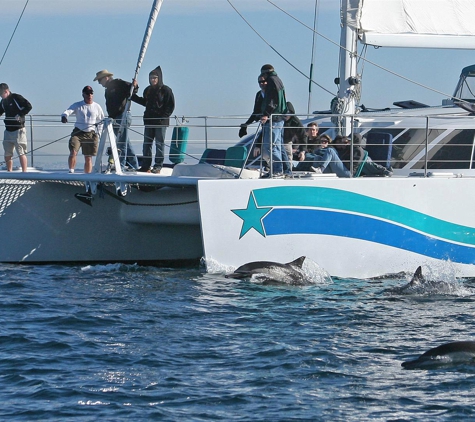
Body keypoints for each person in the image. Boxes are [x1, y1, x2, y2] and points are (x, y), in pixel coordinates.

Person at [132, 66, 175, 173]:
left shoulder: (166, 90)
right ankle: (146, 166)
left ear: (159, 78)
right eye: (151, 78)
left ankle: (158, 166)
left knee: (159, 144)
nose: (153, 80)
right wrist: (133, 96)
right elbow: (145, 102)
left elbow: (170, 106)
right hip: (149, 121)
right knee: (147, 144)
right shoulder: (148, 90)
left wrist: (163, 117)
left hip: (160, 122)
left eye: (155, 78)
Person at [93, 69, 139, 170]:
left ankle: (121, 167)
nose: (99, 83)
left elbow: (131, 89)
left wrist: (135, 86)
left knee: (121, 143)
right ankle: (134, 165)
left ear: (106, 78)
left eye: (100, 80)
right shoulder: (108, 89)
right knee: (124, 141)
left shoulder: (117, 83)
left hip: (122, 115)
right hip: (115, 117)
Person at [61, 86, 104, 173]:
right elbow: (68, 111)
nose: (90, 95)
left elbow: (101, 120)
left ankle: (87, 176)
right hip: (78, 132)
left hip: (90, 133)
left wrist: (99, 132)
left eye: (91, 93)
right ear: (83, 94)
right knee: (73, 151)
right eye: (87, 93)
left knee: (88, 157)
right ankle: (71, 171)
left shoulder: (97, 106)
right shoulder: (78, 105)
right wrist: (64, 116)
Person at [258, 64, 289, 177]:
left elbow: (273, 99)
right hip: (279, 117)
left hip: (274, 118)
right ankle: (284, 170)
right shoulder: (278, 80)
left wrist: (266, 114)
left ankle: (277, 170)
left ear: (265, 73)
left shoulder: (271, 81)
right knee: (278, 146)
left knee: (270, 145)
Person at [0, 83, 32, 172]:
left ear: (6, 91)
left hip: (18, 130)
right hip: (8, 130)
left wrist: (20, 114)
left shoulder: (16, 98)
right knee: (7, 152)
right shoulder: (3, 101)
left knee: (21, 152)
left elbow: (29, 106)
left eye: (1, 94)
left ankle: (24, 172)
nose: (1, 96)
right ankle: (9, 171)